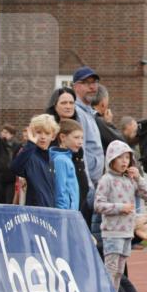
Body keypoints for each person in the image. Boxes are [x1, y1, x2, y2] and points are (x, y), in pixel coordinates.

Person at [95, 140, 147, 292]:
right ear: (112, 159)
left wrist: (139, 178)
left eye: (127, 157)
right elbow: (98, 205)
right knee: (111, 270)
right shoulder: (106, 180)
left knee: (120, 271)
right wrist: (121, 208)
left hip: (127, 232)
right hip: (112, 232)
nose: (124, 161)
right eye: (120, 157)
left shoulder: (130, 179)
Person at [47, 87, 90, 215]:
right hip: (66, 207)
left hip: (78, 199)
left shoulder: (78, 125)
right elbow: (60, 188)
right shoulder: (49, 133)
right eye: (64, 103)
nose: (68, 106)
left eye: (71, 103)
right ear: (54, 106)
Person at [9, 114, 58, 208]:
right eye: (39, 132)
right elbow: (15, 168)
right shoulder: (28, 154)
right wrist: (30, 144)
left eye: (47, 133)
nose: (43, 137)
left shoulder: (51, 159)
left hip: (49, 211)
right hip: (32, 212)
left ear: (53, 136)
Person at [72, 66, 105, 189]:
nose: (92, 87)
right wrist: (88, 187)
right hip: (87, 186)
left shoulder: (89, 113)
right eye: (87, 83)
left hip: (94, 184)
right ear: (76, 87)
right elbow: (82, 152)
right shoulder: (78, 113)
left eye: (95, 82)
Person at [50, 119, 85, 210]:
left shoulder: (67, 158)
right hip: (65, 214)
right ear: (62, 137)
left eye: (82, 138)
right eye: (76, 137)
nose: (80, 142)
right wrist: (64, 215)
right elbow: (60, 190)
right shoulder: (61, 160)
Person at [92, 85, 129, 151]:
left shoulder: (86, 115)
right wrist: (109, 123)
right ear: (103, 103)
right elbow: (122, 144)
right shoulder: (98, 120)